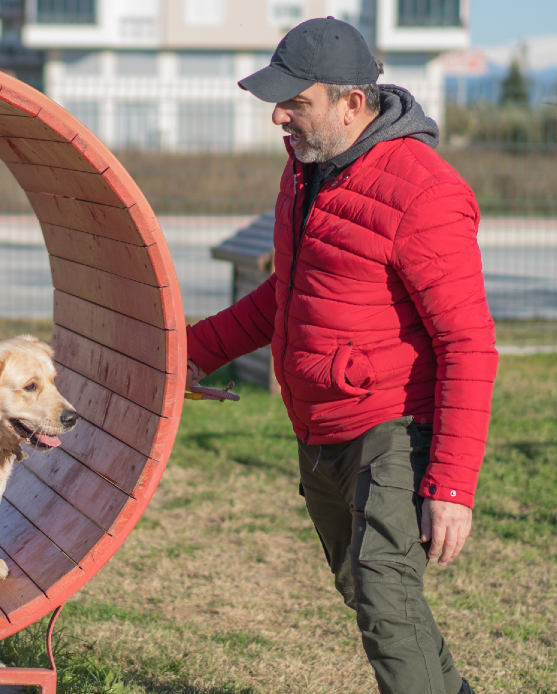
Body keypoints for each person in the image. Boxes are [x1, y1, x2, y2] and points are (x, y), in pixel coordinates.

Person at [184, 17, 497, 694]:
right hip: (321, 427)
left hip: (390, 428)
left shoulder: (423, 192)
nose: (279, 116)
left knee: (385, 600)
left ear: (353, 103)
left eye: (296, 102)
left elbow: (468, 342)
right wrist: (193, 352)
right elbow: (289, 296)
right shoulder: (307, 170)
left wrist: (450, 486)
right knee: (377, 598)